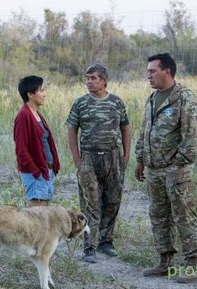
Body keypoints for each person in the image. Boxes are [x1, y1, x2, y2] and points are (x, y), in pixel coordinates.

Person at [135, 53, 197, 283]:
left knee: (184, 215)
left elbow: (191, 135)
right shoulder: (153, 99)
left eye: (152, 71)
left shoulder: (184, 98)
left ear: (168, 71)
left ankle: (192, 264)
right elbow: (145, 130)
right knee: (159, 215)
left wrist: (179, 163)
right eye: (148, 72)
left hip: (176, 171)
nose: (148, 76)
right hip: (154, 170)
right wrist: (140, 159)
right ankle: (165, 261)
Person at [66, 64, 131, 263]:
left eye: (94, 78)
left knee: (112, 201)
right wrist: (78, 159)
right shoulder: (81, 103)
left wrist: (125, 156)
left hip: (113, 158)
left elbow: (125, 128)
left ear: (104, 80)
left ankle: (106, 242)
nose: (89, 81)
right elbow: (72, 129)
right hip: (89, 159)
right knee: (90, 203)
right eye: (87, 78)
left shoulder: (116, 103)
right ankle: (89, 248)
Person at [13, 75, 60, 207]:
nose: (44, 94)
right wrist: (36, 171)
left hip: (45, 171)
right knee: (36, 216)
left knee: (43, 214)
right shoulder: (24, 116)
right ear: (30, 94)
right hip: (36, 174)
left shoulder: (37, 114)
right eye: (41, 91)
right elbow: (21, 150)